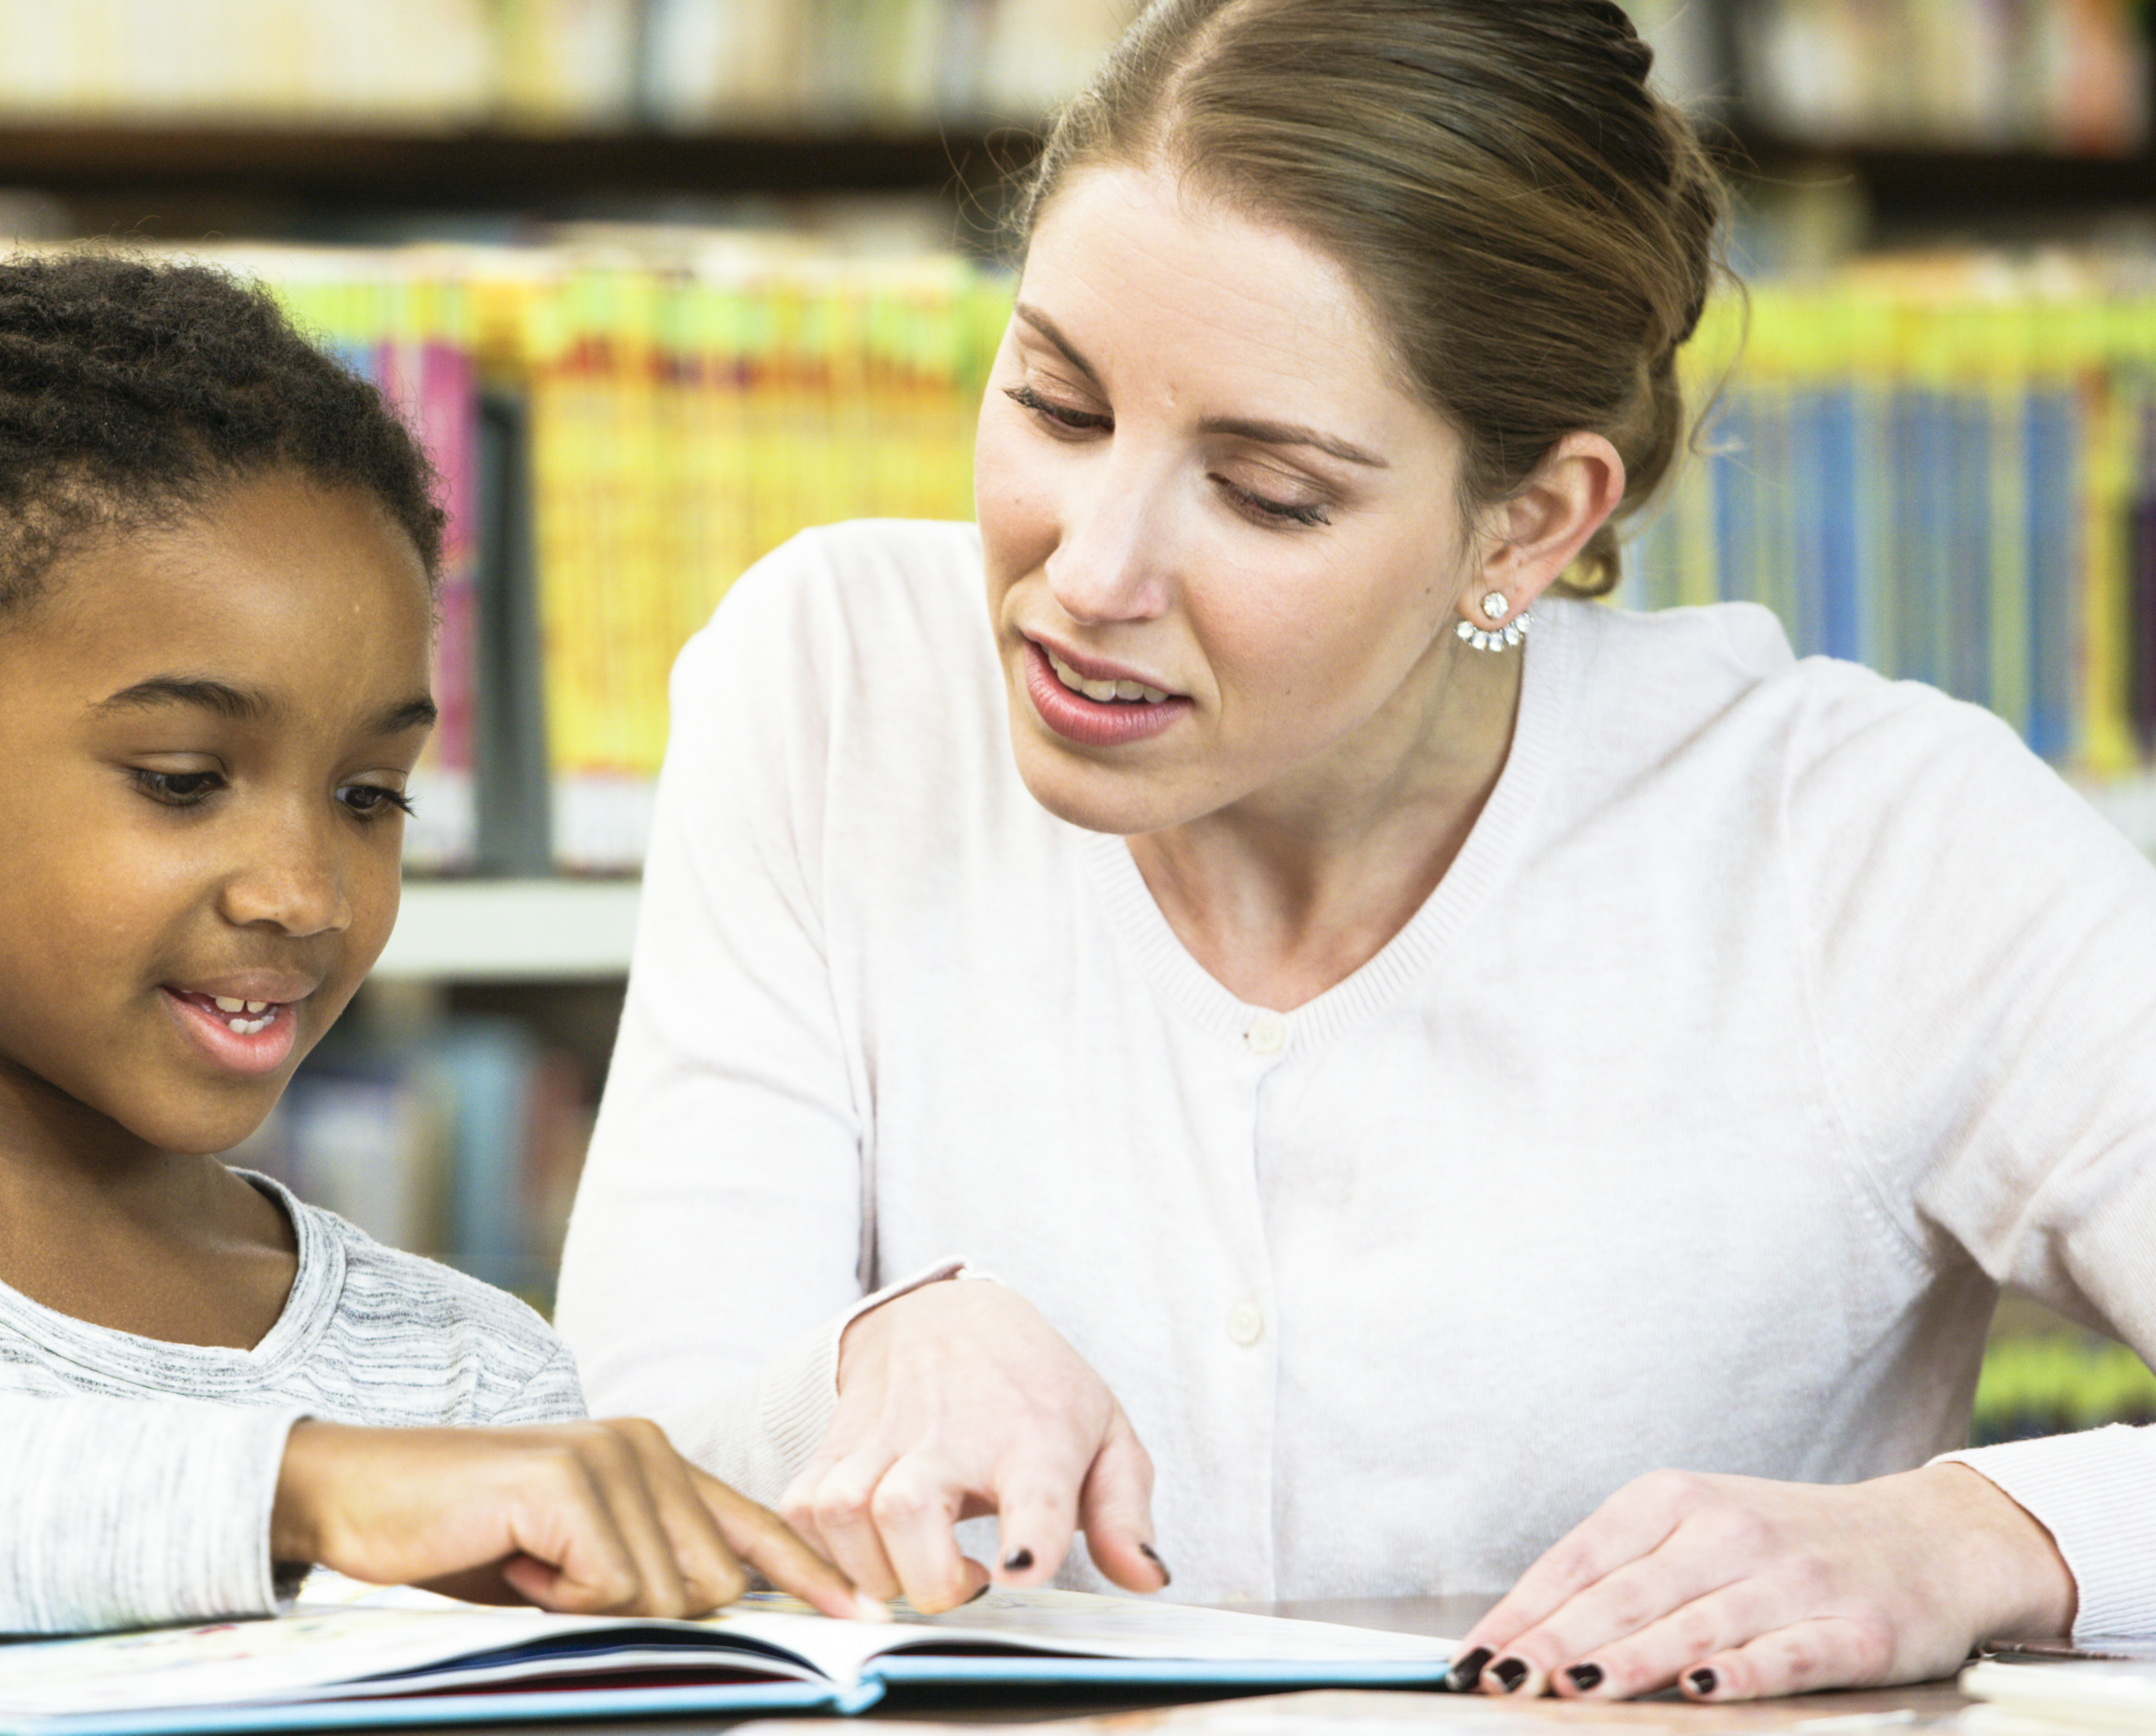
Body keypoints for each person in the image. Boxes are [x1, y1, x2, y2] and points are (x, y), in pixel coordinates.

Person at [552, 0, 2156, 1704]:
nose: (1090, 569)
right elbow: (628, 1428)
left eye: (1266, 493)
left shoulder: (1863, 846)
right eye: (1055, 403)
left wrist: (1978, 1536)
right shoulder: (830, 676)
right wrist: (869, 1358)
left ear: (1528, 527)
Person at [0, 254, 863, 1648]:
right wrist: (291, 1491)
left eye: (370, 795)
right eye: (181, 778)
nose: (305, 893)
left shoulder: (470, 1379)